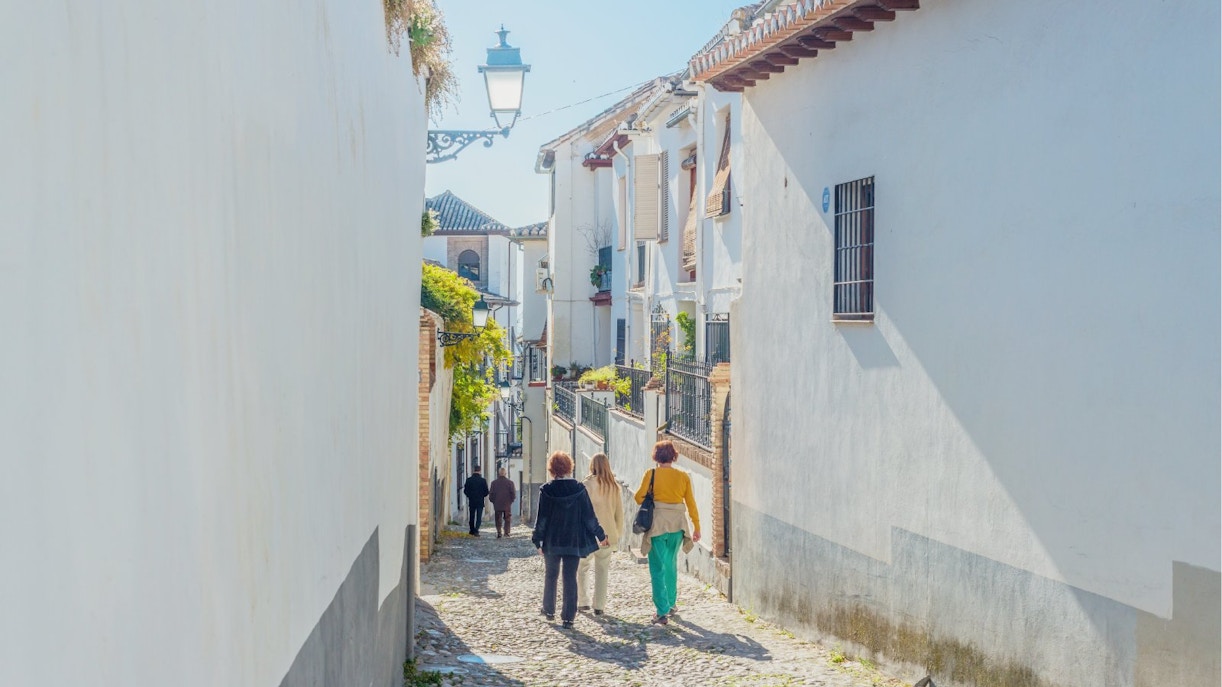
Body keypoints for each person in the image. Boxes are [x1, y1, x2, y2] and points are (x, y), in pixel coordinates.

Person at [531, 451, 608, 629]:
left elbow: (542, 518)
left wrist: (537, 540)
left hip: (552, 540)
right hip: (573, 540)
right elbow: (589, 516)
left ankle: (549, 609)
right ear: (569, 467)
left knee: (551, 575)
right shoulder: (579, 489)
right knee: (569, 576)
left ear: (552, 469)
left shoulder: (546, 489)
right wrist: (600, 535)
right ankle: (568, 617)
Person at [634, 440, 700, 625]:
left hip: (658, 525)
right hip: (678, 526)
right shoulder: (683, 476)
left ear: (656, 456)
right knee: (671, 564)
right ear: (674, 456)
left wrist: (651, 493)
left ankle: (661, 611)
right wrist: (697, 527)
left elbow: (638, 497)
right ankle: (671, 604)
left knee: (657, 567)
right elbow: (691, 503)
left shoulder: (651, 474)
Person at [577, 453, 624, 617]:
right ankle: (599, 605)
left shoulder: (586, 485)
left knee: (582, 567)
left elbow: (581, 512)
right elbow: (619, 514)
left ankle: (582, 601)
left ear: (592, 465)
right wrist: (616, 534)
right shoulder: (613, 486)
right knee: (602, 570)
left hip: (588, 534)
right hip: (608, 534)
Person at [488, 467, 517, 538]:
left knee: (498, 518)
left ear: (499, 473)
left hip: (497, 503)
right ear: (505, 473)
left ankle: (499, 532)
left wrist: (493, 501)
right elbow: (513, 494)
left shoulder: (494, 483)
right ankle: (506, 532)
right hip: (507, 504)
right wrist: (511, 501)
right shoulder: (510, 483)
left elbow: (491, 494)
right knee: (507, 518)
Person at [462, 466, 489, 536]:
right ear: (480, 471)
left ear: (473, 470)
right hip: (480, 501)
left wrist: (469, 496)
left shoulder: (469, 480)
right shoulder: (483, 480)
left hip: (472, 500)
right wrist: (482, 496)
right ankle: (476, 530)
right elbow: (486, 491)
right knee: (479, 517)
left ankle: (471, 530)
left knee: (472, 516)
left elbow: (465, 491)